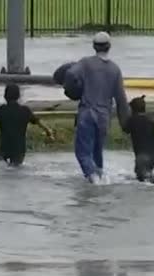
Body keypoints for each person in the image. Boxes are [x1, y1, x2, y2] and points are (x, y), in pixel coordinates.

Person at [65, 32, 129, 183]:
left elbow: (70, 74)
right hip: (104, 118)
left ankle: (93, 179)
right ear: (109, 47)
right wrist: (125, 123)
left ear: (94, 46)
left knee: (82, 153)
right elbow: (121, 99)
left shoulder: (85, 63)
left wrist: (72, 91)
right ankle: (99, 178)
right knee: (97, 153)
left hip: (87, 114)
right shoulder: (115, 69)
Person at [0, 83, 54, 166]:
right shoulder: (25, 111)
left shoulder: (2, 109)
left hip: (5, 148)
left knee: (2, 168)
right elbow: (38, 122)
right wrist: (48, 132)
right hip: (19, 149)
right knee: (16, 168)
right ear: (18, 96)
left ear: (5, 96)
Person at [123, 95, 154, 184]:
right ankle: (152, 180)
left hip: (141, 154)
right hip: (153, 153)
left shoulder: (132, 120)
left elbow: (126, 130)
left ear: (132, 109)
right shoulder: (150, 119)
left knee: (141, 175)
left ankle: (152, 179)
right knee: (145, 173)